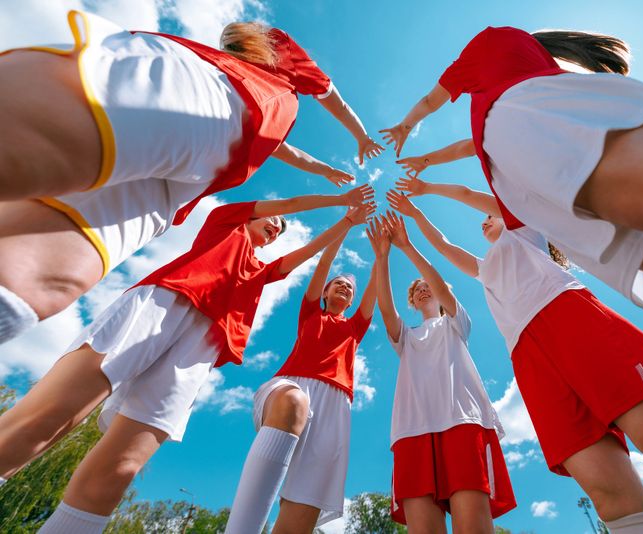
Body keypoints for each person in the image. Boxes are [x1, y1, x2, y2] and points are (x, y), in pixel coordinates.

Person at [386, 186, 643, 534]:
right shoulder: (485, 269)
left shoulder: (525, 232)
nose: (485, 223)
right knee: (611, 498)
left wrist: (426, 189)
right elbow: (443, 247)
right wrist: (413, 220)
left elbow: (473, 196)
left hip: (563, 313)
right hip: (527, 354)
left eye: (493, 216)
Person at [380, 26, 643, 340]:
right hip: (531, 172)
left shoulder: (489, 53)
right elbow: (473, 144)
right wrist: (426, 159)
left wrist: (405, 126)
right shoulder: (499, 97)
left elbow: (433, 101)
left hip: (538, 138)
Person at [0, 9, 384, 344]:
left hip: (197, 178)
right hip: (213, 93)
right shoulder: (268, 55)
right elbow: (331, 96)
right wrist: (362, 136)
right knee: (37, 131)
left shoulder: (273, 112)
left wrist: (325, 169)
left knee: (45, 278)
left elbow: (281, 148)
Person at [0, 192, 375, 533]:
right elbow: (289, 206)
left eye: (278, 232)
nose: (275, 228)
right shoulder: (225, 223)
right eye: (271, 221)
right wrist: (341, 200)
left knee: (122, 466)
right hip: (166, 303)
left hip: (203, 345)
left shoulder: (258, 274)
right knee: (54, 414)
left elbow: (298, 259)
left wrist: (345, 224)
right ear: (253, 216)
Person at [364, 213, 515, 533]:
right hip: (412, 430)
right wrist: (382, 258)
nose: (422, 289)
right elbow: (386, 310)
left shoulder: (456, 323)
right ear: (413, 301)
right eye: (416, 289)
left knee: (472, 525)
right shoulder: (406, 337)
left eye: (427, 284)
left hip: (462, 421)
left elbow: (435, 283)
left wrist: (406, 247)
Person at [225, 227, 378, 533]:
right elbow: (323, 264)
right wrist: (346, 224)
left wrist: (381, 253)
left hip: (335, 404)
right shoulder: (311, 312)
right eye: (338, 284)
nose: (345, 288)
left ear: (351, 303)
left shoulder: (355, 327)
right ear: (324, 292)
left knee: (303, 506)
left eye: (349, 289)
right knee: (293, 401)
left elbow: (375, 287)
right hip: (295, 383)